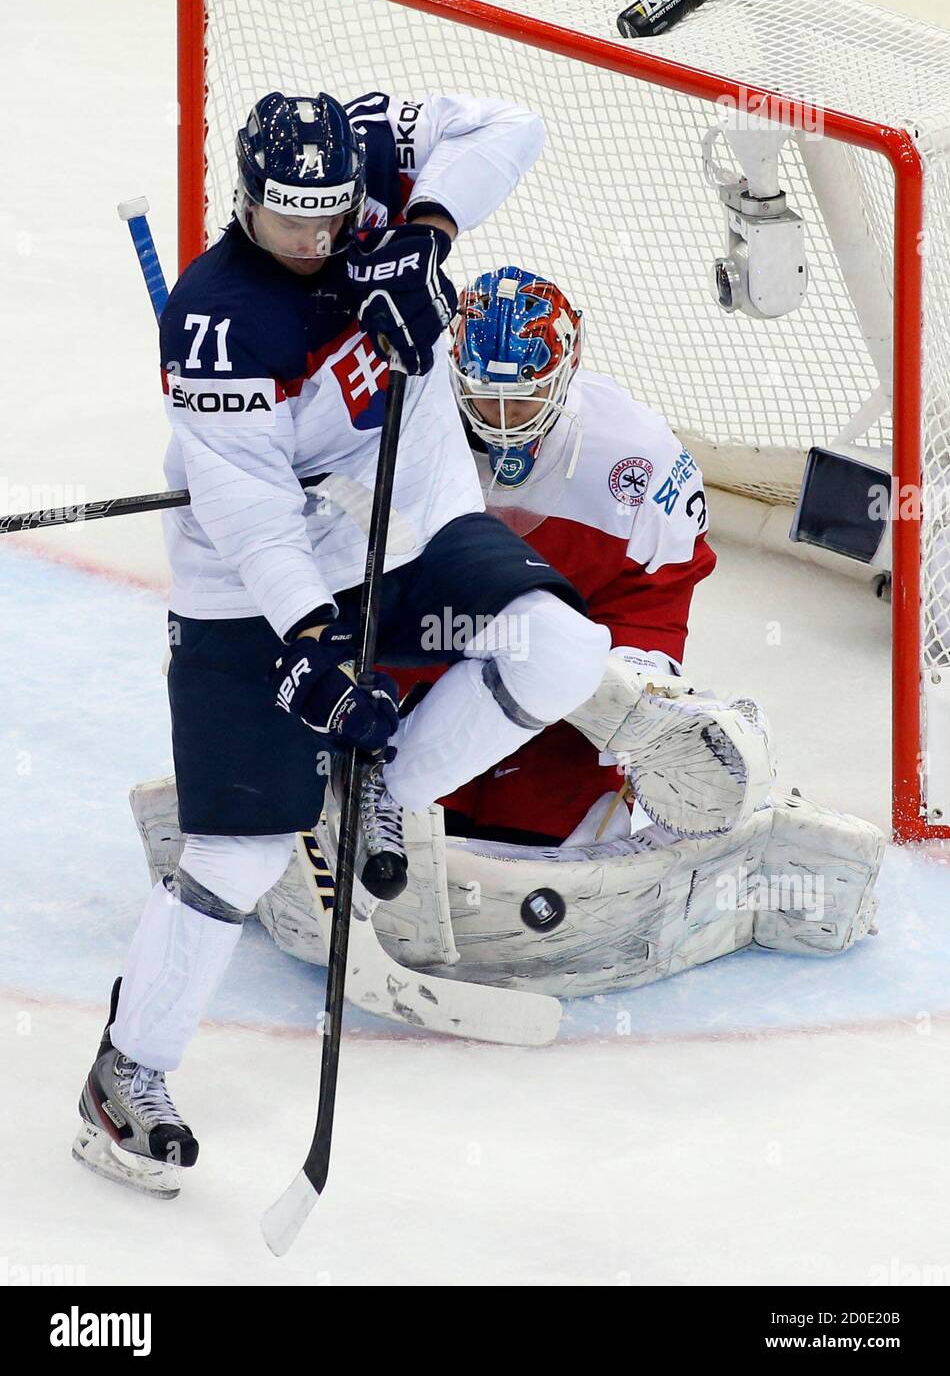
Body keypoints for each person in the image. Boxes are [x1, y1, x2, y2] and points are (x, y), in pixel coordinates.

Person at [73, 94, 610, 1196]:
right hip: (248, 582)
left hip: (409, 524)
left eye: (334, 220)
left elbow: (511, 126)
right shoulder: (217, 323)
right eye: (291, 225)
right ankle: (126, 1075)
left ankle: (381, 784)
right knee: (239, 852)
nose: (316, 243)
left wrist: (424, 232)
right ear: (245, 202)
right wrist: (313, 643)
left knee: (560, 648)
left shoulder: (368, 145)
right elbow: (257, 524)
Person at [395, 265, 717, 846]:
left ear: (566, 371)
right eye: (483, 393)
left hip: (562, 700)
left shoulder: (634, 454)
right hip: (424, 663)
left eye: (522, 397)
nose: (501, 417)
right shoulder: (404, 419)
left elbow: (661, 584)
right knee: (409, 821)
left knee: (541, 846)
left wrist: (634, 678)